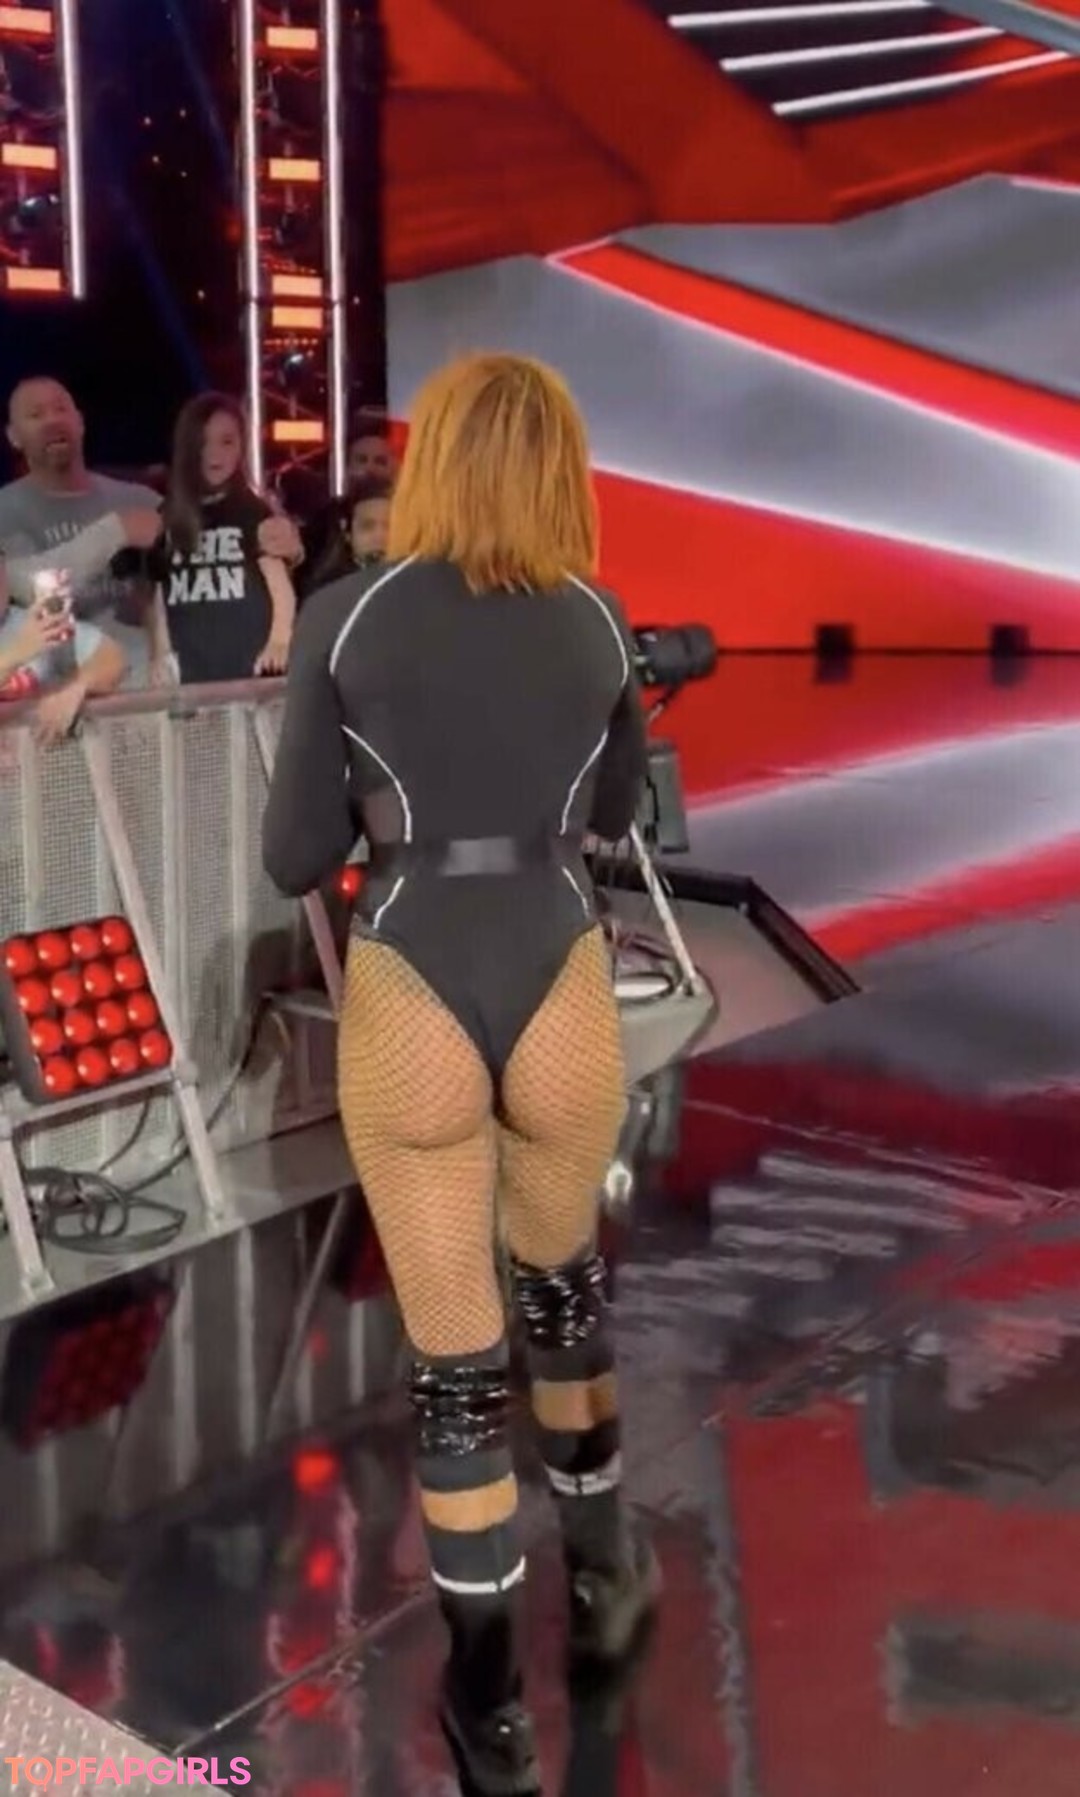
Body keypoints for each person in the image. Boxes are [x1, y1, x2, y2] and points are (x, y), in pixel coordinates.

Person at [262, 353, 658, 1795]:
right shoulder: (597, 618)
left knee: (457, 1373)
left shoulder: (348, 616)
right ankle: (606, 1578)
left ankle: (489, 1714)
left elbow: (293, 855)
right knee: (562, 1290)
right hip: (557, 968)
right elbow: (616, 813)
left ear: (430, 463)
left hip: (414, 971)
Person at [0, 378, 301, 684]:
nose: (52, 421)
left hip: (148, 685)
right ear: (13, 436)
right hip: (52, 689)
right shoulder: (5, 511)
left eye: (60, 409)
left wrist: (289, 545)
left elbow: (215, 531)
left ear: (80, 422)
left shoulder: (142, 500)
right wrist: (115, 532)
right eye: (36, 415)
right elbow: (18, 585)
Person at [146, 393, 296, 685]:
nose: (214, 453)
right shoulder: (167, 517)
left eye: (227, 442)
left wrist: (279, 641)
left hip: (250, 669)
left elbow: (280, 588)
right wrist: (161, 652)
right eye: (203, 442)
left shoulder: (252, 511)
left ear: (242, 446)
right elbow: (159, 594)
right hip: (190, 673)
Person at [0, 558, 126, 741]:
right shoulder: (26, 637)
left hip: (43, 753)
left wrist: (77, 687)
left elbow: (111, 657)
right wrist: (14, 655)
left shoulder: (31, 623)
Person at [301, 477, 392, 597]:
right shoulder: (326, 591)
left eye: (390, 526)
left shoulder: (414, 583)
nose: (379, 536)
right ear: (347, 533)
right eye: (367, 526)